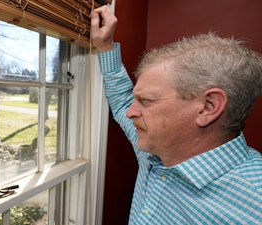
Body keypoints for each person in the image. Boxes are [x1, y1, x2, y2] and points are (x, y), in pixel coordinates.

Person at [91, 5, 262, 225]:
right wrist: (105, 47)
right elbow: (123, 101)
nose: (131, 113)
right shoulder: (156, 148)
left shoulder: (254, 205)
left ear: (208, 107)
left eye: (147, 101)